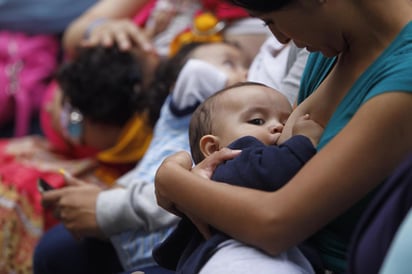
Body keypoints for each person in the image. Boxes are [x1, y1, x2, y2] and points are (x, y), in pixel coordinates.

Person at [154, 0, 412, 273]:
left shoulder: (399, 72)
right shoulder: (330, 39)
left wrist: (172, 178)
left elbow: (275, 225)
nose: (280, 38)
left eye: (270, 20)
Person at [34, 41, 249, 274]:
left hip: (173, 248)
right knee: (53, 249)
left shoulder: (236, 126)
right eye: (229, 63)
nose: (246, 72)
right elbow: (196, 72)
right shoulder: (179, 110)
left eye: (248, 66)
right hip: (134, 237)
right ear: (177, 83)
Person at [0, 44, 156, 273]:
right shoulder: (79, 90)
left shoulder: (138, 149)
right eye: (59, 99)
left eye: (72, 124)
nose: (52, 110)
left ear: (120, 133)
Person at [153, 82, 323, 274]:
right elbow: (273, 172)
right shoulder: (229, 164)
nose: (278, 127)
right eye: (257, 121)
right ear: (213, 149)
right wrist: (305, 142)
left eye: (286, 122)